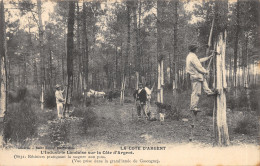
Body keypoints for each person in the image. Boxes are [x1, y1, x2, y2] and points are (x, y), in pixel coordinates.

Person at [186, 44, 217, 114]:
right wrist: (205, 72)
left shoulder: (191, 56)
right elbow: (198, 67)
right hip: (195, 76)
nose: (197, 50)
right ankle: (193, 107)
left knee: (204, 81)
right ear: (194, 49)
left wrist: (208, 57)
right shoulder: (192, 57)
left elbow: (199, 60)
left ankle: (209, 92)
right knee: (196, 92)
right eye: (196, 48)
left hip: (198, 76)